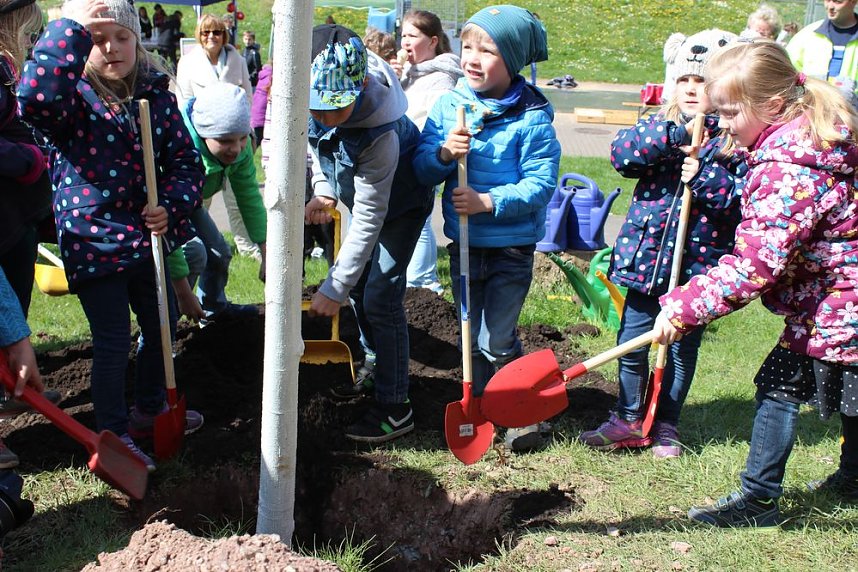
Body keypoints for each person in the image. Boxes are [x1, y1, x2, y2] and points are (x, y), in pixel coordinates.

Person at [654, 40, 858, 528]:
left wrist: (683, 307)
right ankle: (852, 479)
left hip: (840, 300)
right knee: (851, 389)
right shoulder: (813, 137)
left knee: (779, 386)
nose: (721, 123)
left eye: (729, 111)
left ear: (770, 105)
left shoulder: (788, 167)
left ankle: (758, 502)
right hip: (834, 296)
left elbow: (754, 265)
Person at [18, 0, 206, 471]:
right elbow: (35, 98)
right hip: (93, 238)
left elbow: (186, 163)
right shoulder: (71, 101)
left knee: (161, 325)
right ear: (80, 45)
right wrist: (71, 29)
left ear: (138, 40)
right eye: (98, 39)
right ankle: (114, 432)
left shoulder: (155, 95)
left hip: (147, 237)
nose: (112, 47)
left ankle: (149, 409)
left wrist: (172, 207)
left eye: (122, 36)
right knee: (112, 338)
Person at [578, 29, 745, 459]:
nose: (693, 89)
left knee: (681, 348)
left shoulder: (734, 141)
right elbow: (623, 156)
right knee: (632, 341)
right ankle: (628, 416)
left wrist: (704, 174)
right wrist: (674, 135)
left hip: (696, 271)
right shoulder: (659, 126)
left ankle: (667, 422)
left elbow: (741, 201)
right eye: (686, 80)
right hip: (645, 262)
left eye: (703, 82)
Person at [412, 5, 561, 449]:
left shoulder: (532, 118)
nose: (473, 58)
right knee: (467, 333)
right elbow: (421, 169)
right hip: (464, 246)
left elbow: (540, 185)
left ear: (512, 59)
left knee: (497, 338)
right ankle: (479, 407)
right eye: (468, 46)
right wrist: (442, 154)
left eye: (488, 50)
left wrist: (487, 201)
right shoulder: (451, 106)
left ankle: (523, 411)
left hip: (510, 247)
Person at [304, 24, 433, 442]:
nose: (322, 117)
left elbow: (371, 213)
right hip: (367, 205)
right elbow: (313, 145)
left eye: (333, 108)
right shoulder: (312, 98)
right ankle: (376, 366)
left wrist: (335, 283)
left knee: (380, 294)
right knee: (360, 291)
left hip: (400, 208)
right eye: (315, 107)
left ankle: (396, 406)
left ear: (357, 90)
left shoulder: (381, 133)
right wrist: (323, 190)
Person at [0, 0, 62, 454]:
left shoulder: (8, 69)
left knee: (13, 314)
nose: (34, 41)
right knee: (7, 321)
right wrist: (28, 160)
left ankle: (10, 390)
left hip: (16, 218)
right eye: (31, 31)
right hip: (4, 216)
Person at [166, 82, 263, 325]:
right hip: (163, 210)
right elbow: (164, 224)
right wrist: (183, 293)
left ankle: (212, 312)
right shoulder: (180, 148)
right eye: (225, 140)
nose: (237, 148)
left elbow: (248, 196)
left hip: (192, 203)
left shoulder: (241, 148)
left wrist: (266, 250)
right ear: (202, 133)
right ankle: (166, 324)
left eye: (242, 138)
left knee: (219, 252)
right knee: (193, 254)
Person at [176, 13, 260, 261]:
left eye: (217, 32)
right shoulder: (188, 63)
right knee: (200, 200)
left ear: (224, 35)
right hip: (202, 142)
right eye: (206, 33)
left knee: (239, 197)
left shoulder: (237, 59)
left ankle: (247, 245)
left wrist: (248, 135)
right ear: (199, 36)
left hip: (236, 137)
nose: (211, 37)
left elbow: (247, 95)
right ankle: (198, 243)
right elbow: (183, 102)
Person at [393, 10, 463, 295]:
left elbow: (433, 121)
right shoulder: (410, 73)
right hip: (402, 156)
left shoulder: (442, 78)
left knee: (418, 220)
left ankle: (423, 282)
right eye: (403, 35)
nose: (405, 42)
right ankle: (413, 278)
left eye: (412, 36)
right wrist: (394, 80)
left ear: (433, 41)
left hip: (422, 155)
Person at [787, 0, 858, 106]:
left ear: (853, 1)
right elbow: (786, 72)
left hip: (853, 116)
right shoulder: (806, 35)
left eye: (837, 2)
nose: (830, 6)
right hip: (811, 113)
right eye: (827, 0)